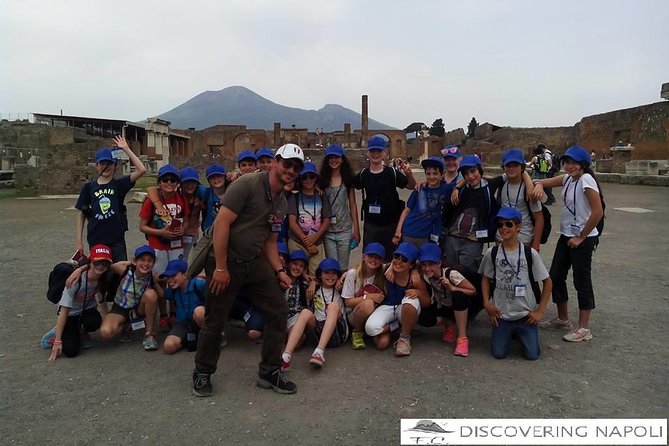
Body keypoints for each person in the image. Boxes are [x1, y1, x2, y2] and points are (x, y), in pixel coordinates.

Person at [192, 143, 304, 397]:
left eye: (296, 167)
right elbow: (221, 224)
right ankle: (202, 371)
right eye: (287, 163)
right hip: (225, 259)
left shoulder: (281, 202)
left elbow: (270, 241)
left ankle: (269, 371)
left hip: (254, 262)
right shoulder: (247, 185)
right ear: (275, 162)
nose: (291, 170)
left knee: (278, 309)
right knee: (215, 317)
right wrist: (220, 267)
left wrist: (278, 270)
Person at [532, 146, 604, 342]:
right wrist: (538, 185)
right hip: (567, 235)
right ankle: (563, 318)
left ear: (583, 164)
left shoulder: (586, 180)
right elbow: (542, 181)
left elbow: (597, 212)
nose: (569, 166)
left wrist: (581, 236)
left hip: (583, 238)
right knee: (555, 275)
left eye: (574, 163)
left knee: (582, 280)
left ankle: (584, 328)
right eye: (567, 162)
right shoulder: (568, 179)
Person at [480, 207, 552, 359]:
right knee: (498, 354)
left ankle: (520, 334)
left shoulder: (529, 253)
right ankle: (509, 333)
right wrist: (487, 303)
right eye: (500, 225)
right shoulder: (492, 253)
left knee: (532, 355)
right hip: (502, 315)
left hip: (525, 315)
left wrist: (540, 311)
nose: (504, 228)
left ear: (518, 227)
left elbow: (548, 282)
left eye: (509, 224)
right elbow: (486, 278)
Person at [75, 136, 147, 262]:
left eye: (110, 163)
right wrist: (79, 242)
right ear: (97, 165)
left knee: (119, 274)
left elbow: (142, 170)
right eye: (102, 163)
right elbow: (81, 214)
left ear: (115, 166)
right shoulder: (88, 187)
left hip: (116, 240)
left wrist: (126, 149)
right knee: (99, 274)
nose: (106, 167)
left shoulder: (119, 185)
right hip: (96, 238)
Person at [43, 244, 113, 360]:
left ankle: (81, 331)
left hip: (86, 311)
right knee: (71, 352)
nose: (100, 266)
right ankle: (56, 333)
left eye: (105, 263)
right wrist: (58, 341)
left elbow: (101, 297)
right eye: (97, 262)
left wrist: (106, 316)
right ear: (90, 262)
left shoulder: (102, 277)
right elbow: (64, 310)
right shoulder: (75, 280)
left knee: (95, 321)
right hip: (70, 314)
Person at [354, 135, 416, 260]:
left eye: (379, 151)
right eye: (372, 151)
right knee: (370, 260)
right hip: (371, 225)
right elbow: (348, 184)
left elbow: (411, 186)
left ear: (385, 153)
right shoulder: (363, 174)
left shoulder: (392, 173)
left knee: (390, 260)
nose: (375, 154)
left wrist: (409, 175)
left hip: (391, 225)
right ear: (368, 152)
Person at [87, 245, 161, 350]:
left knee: (151, 294)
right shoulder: (125, 269)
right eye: (142, 260)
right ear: (134, 261)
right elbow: (104, 265)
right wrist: (80, 269)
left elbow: (162, 295)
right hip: (120, 307)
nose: (146, 264)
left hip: (138, 309)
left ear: (153, 263)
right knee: (105, 333)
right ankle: (126, 326)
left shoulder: (152, 276)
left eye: (150, 261)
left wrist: (156, 282)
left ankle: (149, 334)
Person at [365, 242, 430, 356]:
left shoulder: (414, 279)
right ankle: (395, 327)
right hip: (387, 306)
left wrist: (418, 293)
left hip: (404, 309)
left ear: (411, 265)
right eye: (396, 257)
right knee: (370, 329)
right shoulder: (386, 269)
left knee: (410, 301)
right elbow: (368, 267)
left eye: (404, 259)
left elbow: (427, 302)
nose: (399, 261)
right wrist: (346, 275)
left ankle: (404, 338)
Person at [442, 155, 504, 273]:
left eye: (473, 171)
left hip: (474, 240)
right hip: (452, 238)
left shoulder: (489, 186)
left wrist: (537, 184)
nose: (470, 176)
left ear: (479, 170)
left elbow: (512, 173)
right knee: (449, 272)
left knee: (468, 274)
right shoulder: (459, 191)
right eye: (466, 173)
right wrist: (457, 187)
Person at [416, 243, 479, 357]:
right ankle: (450, 323)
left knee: (458, 295)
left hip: (460, 307)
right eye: (424, 265)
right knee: (423, 317)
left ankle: (462, 337)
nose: (427, 268)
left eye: (431, 264)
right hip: (443, 305)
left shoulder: (451, 274)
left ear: (439, 263)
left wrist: (452, 287)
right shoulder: (424, 274)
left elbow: (472, 291)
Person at [394, 157, 453, 247]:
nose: (431, 177)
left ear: (442, 175)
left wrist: (457, 188)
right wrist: (398, 230)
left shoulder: (446, 188)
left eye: (435, 173)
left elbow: (463, 178)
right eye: (428, 174)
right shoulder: (419, 189)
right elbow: (407, 210)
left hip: (427, 235)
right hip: (410, 231)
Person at [139, 164, 187, 276]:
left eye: (173, 180)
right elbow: (142, 227)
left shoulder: (181, 198)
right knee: (159, 276)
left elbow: (186, 219)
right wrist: (161, 232)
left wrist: (183, 229)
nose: (169, 183)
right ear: (159, 183)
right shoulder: (150, 201)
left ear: (177, 183)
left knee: (176, 274)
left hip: (176, 244)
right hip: (157, 245)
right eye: (165, 180)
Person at [318, 144, 360, 270]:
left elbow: (352, 204)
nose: (333, 160)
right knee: (332, 266)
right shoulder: (321, 180)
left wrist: (356, 230)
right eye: (330, 157)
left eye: (336, 157)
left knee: (343, 267)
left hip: (344, 229)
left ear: (342, 159)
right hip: (327, 230)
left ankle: (343, 290)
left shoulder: (347, 180)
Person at [287, 161, 331, 274]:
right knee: (297, 273)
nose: (308, 180)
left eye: (311, 177)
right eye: (304, 177)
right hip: (297, 241)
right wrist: (307, 242)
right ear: (300, 179)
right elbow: (292, 222)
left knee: (315, 275)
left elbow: (326, 219)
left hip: (317, 241)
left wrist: (315, 237)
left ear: (316, 178)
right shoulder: (294, 196)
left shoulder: (321, 195)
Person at [496, 149, 544, 251]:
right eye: (508, 165)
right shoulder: (502, 182)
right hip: (502, 237)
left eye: (515, 165)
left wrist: (536, 244)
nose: (511, 168)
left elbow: (539, 218)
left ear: (522, 167)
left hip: (523, 238)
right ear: (504, 167)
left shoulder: (529, 189)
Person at [341, 242, 386, 350]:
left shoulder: (383, 273)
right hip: (355, 314)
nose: (374, 260)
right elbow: (348, 302)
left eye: (378, 258)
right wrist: (368, 297)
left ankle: (370, 330)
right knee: (368, 304)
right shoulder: (353, 274)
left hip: (374, 315)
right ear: (364, 257)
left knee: (382, 343)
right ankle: (357, 333)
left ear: (382, 261)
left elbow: (397, 264)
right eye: (371, 256)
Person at [306, 258, 349, 368]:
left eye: (334, 273)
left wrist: (342, 277)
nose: (330, 276)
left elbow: (353, 272)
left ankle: (319, 352)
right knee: (305, 312)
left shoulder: (341, 287)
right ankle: (286, 356)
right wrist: (313, 282)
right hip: (318, 332)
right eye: (326, 272)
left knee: (333, 306)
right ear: (320, 274)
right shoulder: (314, 288)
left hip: (338, 333)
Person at [160, 259, 206, 354]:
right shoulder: (172, 289)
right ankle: (191, 338)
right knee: (168, 347)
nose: (170, 280)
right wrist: (154, 282)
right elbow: (162, 295)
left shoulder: (198, 284)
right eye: (168, 277)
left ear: (185, 275)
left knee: (199, 311)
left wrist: (202, 275)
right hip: (183, 323)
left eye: (173, 276)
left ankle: (212, 337)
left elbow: (215, 293)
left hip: (199, 320)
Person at [280, 250, 311, 371]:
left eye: (301, 266)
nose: (297, 268)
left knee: (298, 341)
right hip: (281, 316)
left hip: (297, 317)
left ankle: (286, 356)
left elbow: (320, 280)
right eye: (295, 264)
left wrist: (312, 283)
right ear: (288, 264)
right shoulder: (280, 278)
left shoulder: (303, 283)